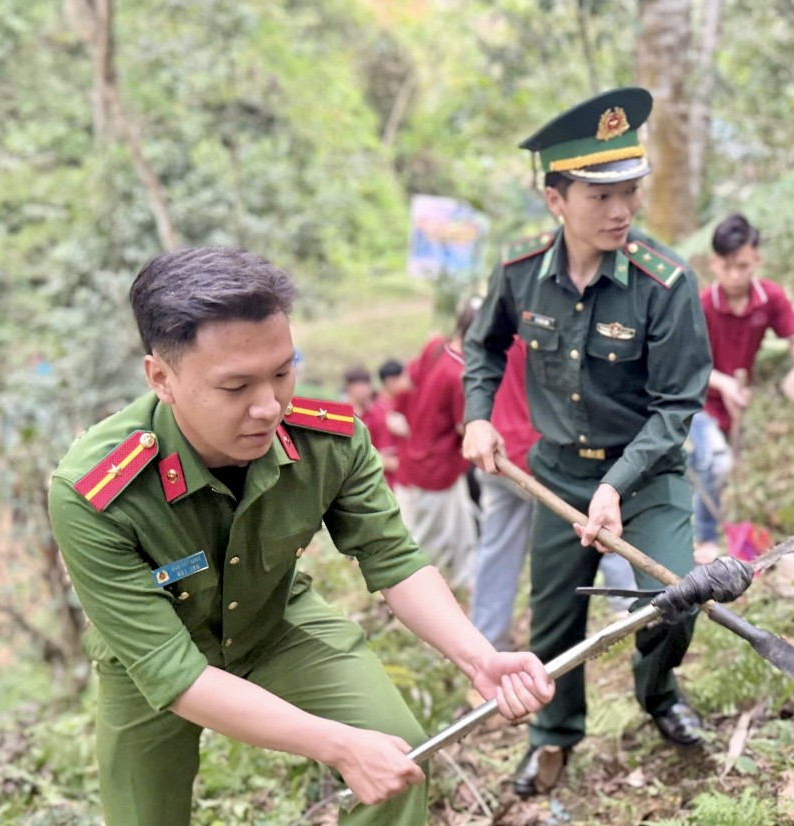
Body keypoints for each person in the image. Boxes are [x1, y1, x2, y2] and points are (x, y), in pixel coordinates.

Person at [47, 247, 553, 826]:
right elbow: (173, 672)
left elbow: (394, 560)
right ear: (161, 377)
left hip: (274, 622)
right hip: (150, 662)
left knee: (396, 753)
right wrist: (337, 745)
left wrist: (478, 657)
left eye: (283, 372)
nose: (269, 407)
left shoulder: (327, 442)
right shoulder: (95, 493)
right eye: (236, 387)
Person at [462, 87, 713, 797]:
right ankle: (553, 734)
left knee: (671, 602)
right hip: (556, 475)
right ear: (555, 199)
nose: (621, 210)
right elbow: (482, 348)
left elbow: (677, 405)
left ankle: (657, 693)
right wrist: (478, 415)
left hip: (647, 477)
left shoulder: (664, 282)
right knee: (555, 621)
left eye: (629, 192)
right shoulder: (518, 273)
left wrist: (614, 487)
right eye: (601, 196)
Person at [468, 338, 639, 654]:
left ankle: (486, 640)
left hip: (495, 453)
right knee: (594, 522)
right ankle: (631, 606)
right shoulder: (534, 334)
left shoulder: (486, 344)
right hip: (531, 455)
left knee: (497, 550)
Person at [688, 214, 794, 564]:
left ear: (756, 260)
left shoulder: (769, 298)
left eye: (742, 266)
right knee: (715, 462)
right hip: (697, 401)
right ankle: (704, 539)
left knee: (719, 468)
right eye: (726, 267)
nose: (734, 276)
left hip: (735, 405)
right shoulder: (703, 304)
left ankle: (725, 532)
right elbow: (686, 366)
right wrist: (723, 382)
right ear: (713, 263)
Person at [393, 298, 481, 592]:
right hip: (437, 466)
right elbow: (465, 428)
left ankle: (465, 580)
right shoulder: (461, 374)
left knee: (462, 527)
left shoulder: (436, 347)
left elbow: (408, 381)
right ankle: (411, 593)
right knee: (430, 539)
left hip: (423, 454)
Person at [363, 359, 407, 488]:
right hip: (389, 482)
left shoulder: (395, 404)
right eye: (402, 378)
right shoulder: (379, 412)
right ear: (390, 381)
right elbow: (384, 456)